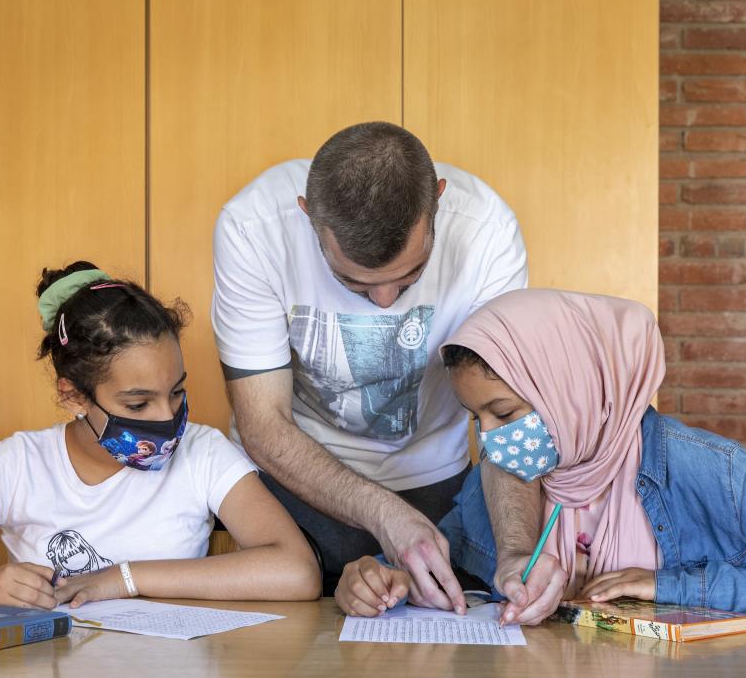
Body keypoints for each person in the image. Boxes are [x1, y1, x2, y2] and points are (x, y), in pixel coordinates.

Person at [213, 121, 560, 619]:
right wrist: (384, 514)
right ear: (308, 216)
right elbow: (262, 423)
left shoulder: (486, 231)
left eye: (410, 276)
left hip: (437, 485)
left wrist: (514, 553)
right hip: (291, 486)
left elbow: (505, 416)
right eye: (352, 282)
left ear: (437, 201)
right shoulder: (252, 227)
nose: (384, 301)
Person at [336, 289, 746, 620]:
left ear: (572, 389)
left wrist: (671, 586)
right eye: (478, 420)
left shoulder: (703, 470)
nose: (490, 441)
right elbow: (436, 562)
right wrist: (380, 581)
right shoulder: (505, 478)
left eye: (505, 413)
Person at [0, 262, 320, 609]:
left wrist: (123, 579)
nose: (167, 416)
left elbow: (296, 571)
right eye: (136, 403)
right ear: (73, 396)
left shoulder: (203, 452)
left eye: (176, 392)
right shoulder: (18, 464)